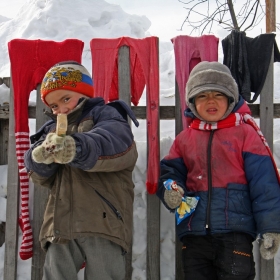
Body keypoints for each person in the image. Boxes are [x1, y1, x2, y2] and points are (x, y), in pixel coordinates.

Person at [156, 61, 280, 280]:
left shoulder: (245, 134)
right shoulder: (185, 140)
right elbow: (169, 174)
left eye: (218, 94)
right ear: (192, 102)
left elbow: (264, 185)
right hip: (194, 236)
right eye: (202, 95)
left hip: (235, 234)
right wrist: (170, 190)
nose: (211, 100)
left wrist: (270, 227)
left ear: (230, 100)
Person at [24, 61, 138, 280]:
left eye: (66, 99)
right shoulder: (49, 130)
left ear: (83, 92)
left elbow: (115, 142)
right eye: (54, 106)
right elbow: (37, 174)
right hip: (60, 226)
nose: (61, 109)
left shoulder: (106, 115)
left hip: (102, 222)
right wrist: (40, 157)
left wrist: (76, 147)